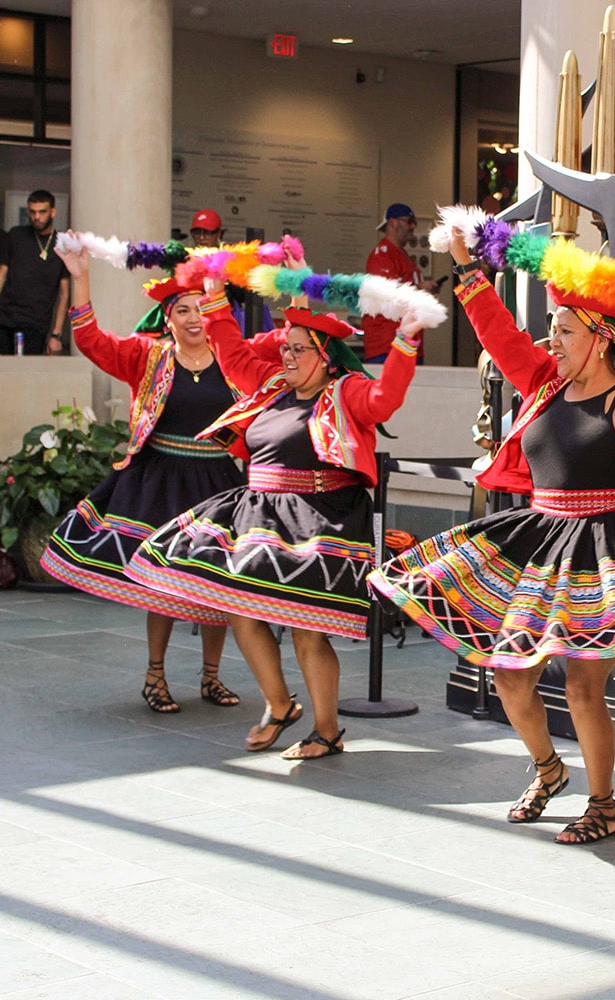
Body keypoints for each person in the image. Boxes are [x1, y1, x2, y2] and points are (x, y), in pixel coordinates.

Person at [370, 230, 615, 844]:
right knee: (509, 674)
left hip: (611, 548)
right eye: (552, 329)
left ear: (600, 337)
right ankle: (547, 768)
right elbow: (498, 333)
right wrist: (465, 266)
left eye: (563, 330)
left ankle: (604, 804)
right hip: (540, 540)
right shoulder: (542, 381)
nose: (550, 340)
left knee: (585, 686)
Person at [126, 277, 423, 759]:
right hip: (262, 515)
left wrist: (406, 342)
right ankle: (280, 704)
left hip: (320, 519)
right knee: (241, 607)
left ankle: (326, 732)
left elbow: (385, 399)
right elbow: (230, 352)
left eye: (299, 349)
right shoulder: (269, 388)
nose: (286, 356)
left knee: (307, 627)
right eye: (285, 347)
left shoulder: (346, 393)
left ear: (324, 356)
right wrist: (214, 292)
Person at [42, 238, 249, 714]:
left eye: (202, 308)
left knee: (218, 582)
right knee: (163, 581)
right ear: (168, 318)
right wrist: (81, 276)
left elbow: (287, 347)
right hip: (161, 479)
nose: (194, 319)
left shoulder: (234, 358)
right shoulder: (148, 356)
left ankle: (211, 677)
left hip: (217, 481)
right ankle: (155, 675)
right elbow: (91, 339)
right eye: (183, 311)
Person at [0, 189, 69, 356]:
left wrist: (56, 334)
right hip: (5, 318)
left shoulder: (62, 244)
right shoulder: (16, 235)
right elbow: (2, 275)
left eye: (42, 212)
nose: (37, 217)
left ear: (52, 212)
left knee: (27, 375)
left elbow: (64, 293)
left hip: (36, 324)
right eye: (32, 212)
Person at [363, 203, 438, 363]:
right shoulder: (382, 255)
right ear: (392, 222)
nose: (413, 226)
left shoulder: (403, 256)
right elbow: (389, 292)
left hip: (410, 342)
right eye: (409, 221)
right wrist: (421, 288)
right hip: (388, 343)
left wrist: (425, 289)